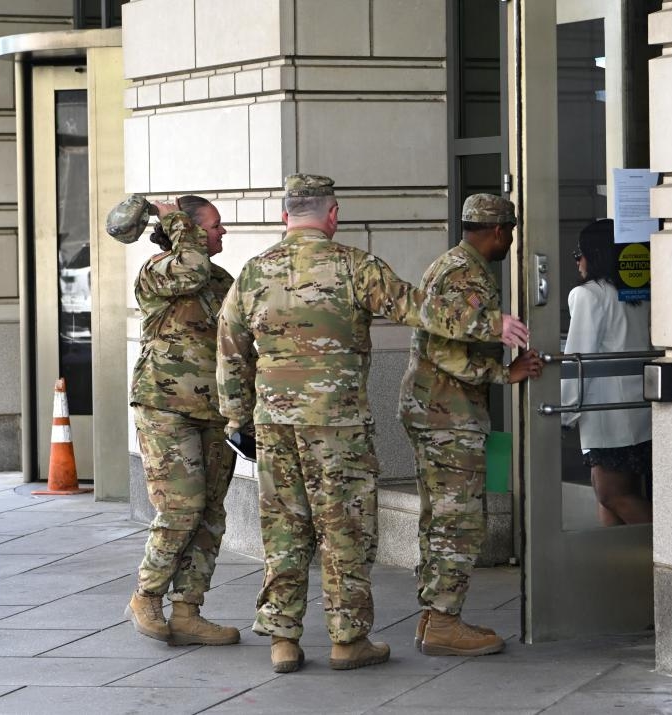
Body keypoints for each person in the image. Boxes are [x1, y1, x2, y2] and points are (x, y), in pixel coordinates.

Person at [215, 174, 530, 674]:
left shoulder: (252, 273)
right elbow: (416, 307)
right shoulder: (353, 266)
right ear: (333, 215)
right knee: (346, 531)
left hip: (274, 424)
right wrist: (491, 324)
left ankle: (283, 640)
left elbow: (231, 349)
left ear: (285, 216)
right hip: (336, 426)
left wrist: (236, 417)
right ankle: (347, 640)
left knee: (284, 528)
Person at [399, 194, 542, 657]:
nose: (512, 240)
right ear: (499, 232)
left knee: (438, 517)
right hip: (448, 416)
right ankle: (444, 622)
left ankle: (431, 616)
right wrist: (505, 373)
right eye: (512, 232)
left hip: (435, 412)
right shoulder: (466, 274)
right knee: (458, 521)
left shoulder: (451, 264)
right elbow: (443, 349)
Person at [126, 196, 240, 646]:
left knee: (211, 512)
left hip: (215, 411)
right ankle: (147, 595)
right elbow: (188, 268)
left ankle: (189, 610)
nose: (222, 232)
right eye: (214, 225)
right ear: (184, 231)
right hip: (165, 408)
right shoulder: (160, 271)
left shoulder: (221, 279)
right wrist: (173, 217)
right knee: (180, 509)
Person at [562, 219, 652, 526]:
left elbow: (578, 357)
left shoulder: (589, 295)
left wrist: (564, 410)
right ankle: (616, 568)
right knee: (614, 495)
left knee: (611, 493)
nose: (577, 260)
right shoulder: (635, 291)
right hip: (638, 408)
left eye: (580, 252)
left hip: (608, 412)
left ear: (595, 254)